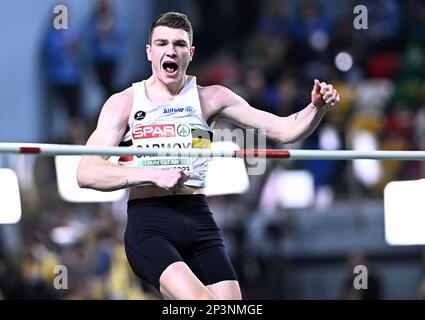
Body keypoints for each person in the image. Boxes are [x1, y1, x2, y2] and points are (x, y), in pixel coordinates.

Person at [77, 11, 340, 300]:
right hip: (150, 224)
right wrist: (149, 174)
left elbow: (285, 129)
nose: (171, 51)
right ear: (149, 52)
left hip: (198, 219)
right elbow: (86, 172)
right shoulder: (124, 104)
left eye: (179, 44)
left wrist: (316, 108)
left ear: (190, 53)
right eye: (162, 44)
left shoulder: (212, 98)